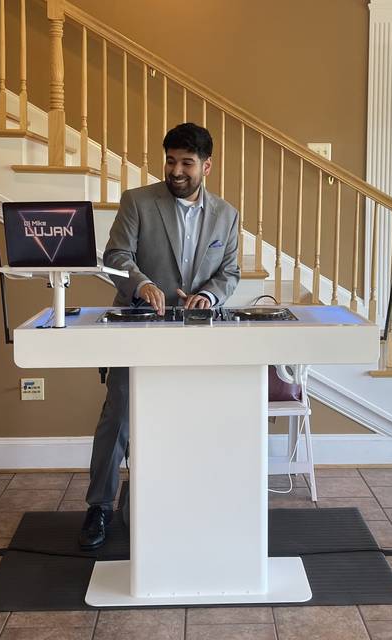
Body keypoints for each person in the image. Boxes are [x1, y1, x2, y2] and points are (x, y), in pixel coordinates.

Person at [78, 122, 241, 550]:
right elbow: (116, 255)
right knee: (119, 417)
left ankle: (189, 502)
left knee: (195, 419)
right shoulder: (137, 201)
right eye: (171, 160)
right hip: (138, 323)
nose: (176, 170)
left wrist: (208, 294)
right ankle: (99, 507)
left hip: (197, 334)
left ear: (207, 165)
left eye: (187, 162)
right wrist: (141, 284)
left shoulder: (227, 215)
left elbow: (230, 272)